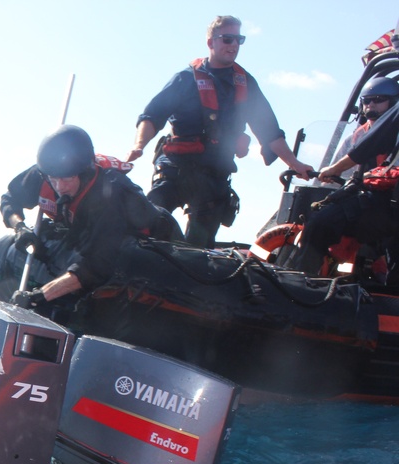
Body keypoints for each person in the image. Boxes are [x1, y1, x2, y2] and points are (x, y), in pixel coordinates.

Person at [125, 15, 314, 248]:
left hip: (213, 175)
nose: (233, 45)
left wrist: (296, 164)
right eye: (227, 39)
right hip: (175, 169)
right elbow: (152, 116)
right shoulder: (185, 79)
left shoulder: (246, 84)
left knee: (198, 247)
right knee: (147, 225)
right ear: (210, 42)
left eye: (238, 40)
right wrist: (139, 146)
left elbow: (270, 133)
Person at [0, 124, 179, 313]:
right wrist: (20, 228)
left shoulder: (110, 194)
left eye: (67, 179)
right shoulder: (45, 173)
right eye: (54, 179)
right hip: (84, 235)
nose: (59, 187)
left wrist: (38, 297)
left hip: (153, 242)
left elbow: (95, 266)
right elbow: (10, 200)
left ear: (84, 173)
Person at [288, 100, 399, 276]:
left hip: (387, 203)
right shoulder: (356, 136)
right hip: (385, 205)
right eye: (368, 100)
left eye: (378, 99)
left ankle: (300, 282)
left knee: (320, 223)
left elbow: (368, 145)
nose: (372, 104)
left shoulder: (384, 128)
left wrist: (335, 169)